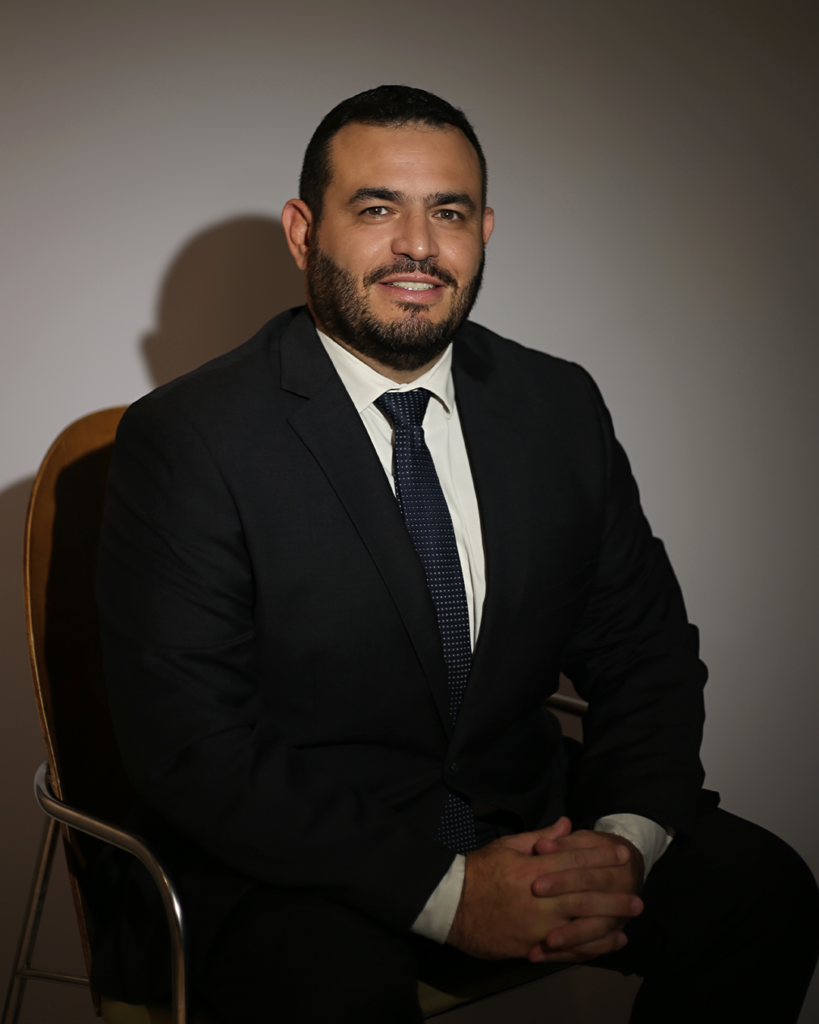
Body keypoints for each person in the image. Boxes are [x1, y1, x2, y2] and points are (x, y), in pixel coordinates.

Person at [91, 85, 819, 1022]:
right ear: (303, 232)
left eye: (449, 212)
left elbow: (645, 653)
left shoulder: (557, 405)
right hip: (290, 858)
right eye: (376, 209)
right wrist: (449, 895)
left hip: (519, 810)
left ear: (484, 230)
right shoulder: (190, 437)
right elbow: (195, 746)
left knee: (762, 893)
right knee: (333, 989)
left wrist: (622, 842)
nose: (418, 246)